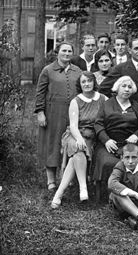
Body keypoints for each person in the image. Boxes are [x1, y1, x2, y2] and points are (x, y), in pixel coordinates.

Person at [51, 72, 107, 208]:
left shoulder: (103, 99)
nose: (87, 84)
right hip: (76, 134)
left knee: (74, 158)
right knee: (78, 147)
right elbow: (74, 126)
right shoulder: (76, 101)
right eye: (83, 82)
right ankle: (83, 188)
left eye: (89, 81)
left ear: (94, 82)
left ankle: (58, 194)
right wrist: (79, 138)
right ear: (80, 85)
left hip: (95, 136)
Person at [34, 41, 82, 191]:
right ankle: (51, 180)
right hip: (53, 112)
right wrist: (40, 112)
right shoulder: (48, 70)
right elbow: (40, 93)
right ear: (57, 52)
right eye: (64, 51)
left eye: (69, 51)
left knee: (71, 142)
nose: (67, 54)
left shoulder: (77, 70)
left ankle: (69, 177)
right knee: (52, 143)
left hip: (73, 113)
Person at [93, 76, 138, 192]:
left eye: (129, 87)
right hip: (110, 143)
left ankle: (133, 190)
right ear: (117, 88)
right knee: (109, 162)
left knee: (134, 160)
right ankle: (108, 192)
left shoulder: (136, 106)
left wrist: (136, 135)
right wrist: (106, 140)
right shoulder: (107, 104)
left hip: (130, 143)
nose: (126, 89)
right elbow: (98, 124)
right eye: (124, 86)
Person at [99, 38, 138, 108]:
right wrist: (118, 101)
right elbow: (103, 88)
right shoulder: (121, 68)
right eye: (136, 49)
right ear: (129, 50)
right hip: (129, 110)